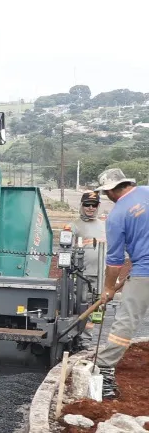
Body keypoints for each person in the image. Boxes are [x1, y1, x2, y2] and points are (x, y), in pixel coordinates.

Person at [95, 168, 149, 399]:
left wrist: (108, 288)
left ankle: (104, 369)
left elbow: (115, 262)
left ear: (110, 191)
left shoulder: (117, 215)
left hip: (145, 270)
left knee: (126, 320)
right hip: (142, 268)